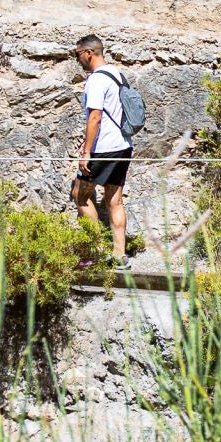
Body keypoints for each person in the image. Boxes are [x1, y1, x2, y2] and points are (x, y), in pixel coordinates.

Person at [71, 34, 132, 268]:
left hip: (103, 149)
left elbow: (95, 117)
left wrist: (87, 151)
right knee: (115, 201)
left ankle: (94, 253)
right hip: (123, 146)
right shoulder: (117, 74)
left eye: (77, 55)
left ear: (89, 53)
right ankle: (119, 256)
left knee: (81, 195)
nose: (77, 60)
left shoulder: (96, 80)